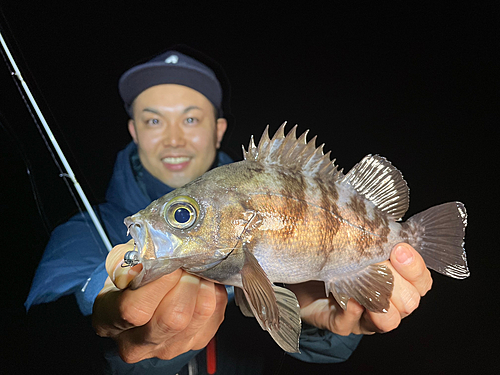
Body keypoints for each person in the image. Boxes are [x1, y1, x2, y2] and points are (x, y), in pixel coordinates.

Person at [25, 48, 433, 374]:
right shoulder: (76, 234)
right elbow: (39, 339)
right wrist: (103, 334)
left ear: (219, 128)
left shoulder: (238, 188)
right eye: (153, 120)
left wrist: (320, 322)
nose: (173, 138)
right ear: (133, 129)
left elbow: (290, 331)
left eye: (190, 118)